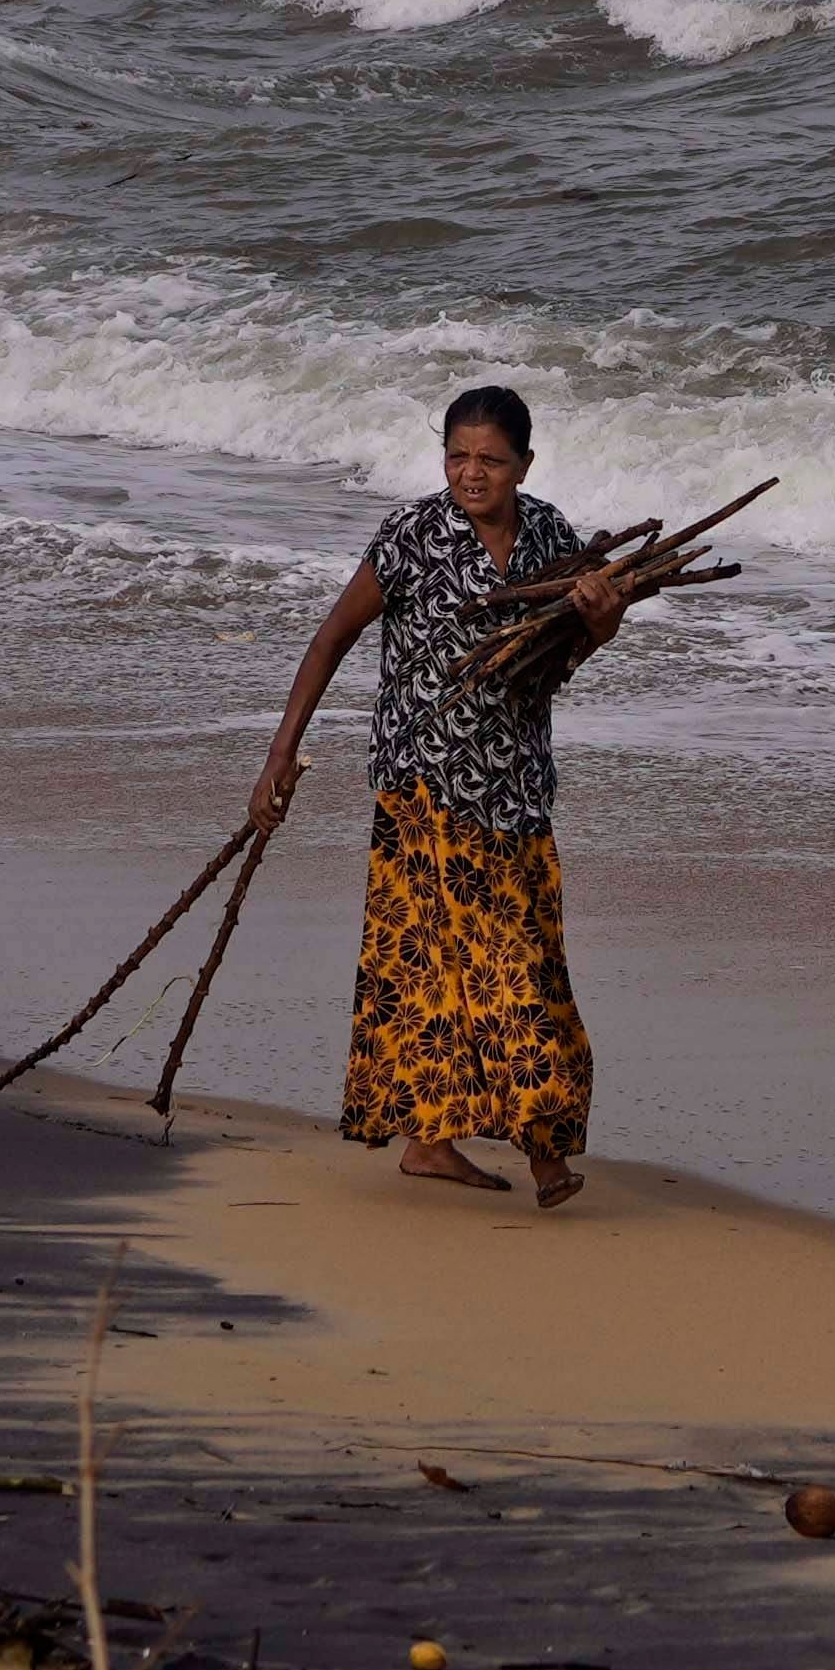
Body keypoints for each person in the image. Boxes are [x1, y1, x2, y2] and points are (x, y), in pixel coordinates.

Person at [249, 380, 625, 1205]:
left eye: (490, 459)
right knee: (499, 970)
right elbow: (332, 638)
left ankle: (429, 1141)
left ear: (525, 464)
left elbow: (562, 659)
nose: (471, 473)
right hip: (424, 785)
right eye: (457, 456)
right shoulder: (413, 535)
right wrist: (283, 749)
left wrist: (602, 619)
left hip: (517, 790)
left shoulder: (553, 542)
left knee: (486, 968)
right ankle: (546, 1157)